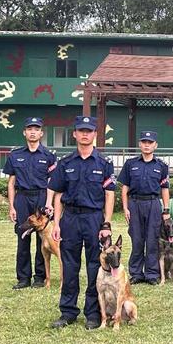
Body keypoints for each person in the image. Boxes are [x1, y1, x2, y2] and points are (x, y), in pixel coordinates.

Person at [46, 116, 115, 329]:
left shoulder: (103, 164)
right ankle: (68, 312)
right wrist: (56, 223)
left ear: (95, 134)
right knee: (70, 266)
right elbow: (58, 194)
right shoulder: (65, 164)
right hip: (70, 219)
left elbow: (109, 195)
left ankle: (93, 313)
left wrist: (107, 223)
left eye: (89, 131)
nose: (85, 134)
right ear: (74, 134)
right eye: (81, 130)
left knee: (95, 266)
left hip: (94, 218)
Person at [3, 117, 57, 289]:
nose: (33, 132)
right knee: (22, 238)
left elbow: (53, 182)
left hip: (41, 197)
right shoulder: (15, 155)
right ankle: (23, 278)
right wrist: (12, 206)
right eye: (29, 129)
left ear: (41, 133)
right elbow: (11, 183)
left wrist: (50, 203)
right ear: (24, 132)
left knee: (43, 239)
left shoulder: (49, 156)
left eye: (36, 129)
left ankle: (40, 277)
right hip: (23, 199)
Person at [119, 131, 171, 285]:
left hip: (153, 204)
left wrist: (166, 210)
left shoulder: (161, 166)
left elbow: (165, 189)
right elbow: (124, 188)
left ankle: (152, 274)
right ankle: (136, 273)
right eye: (144, 142)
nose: (147, 145)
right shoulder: (131, 164)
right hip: (134, 204)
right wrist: (125, 208)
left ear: (155, 145)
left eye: (150, 142)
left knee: (153, 239)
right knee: (137, 239)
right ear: (140, 144)